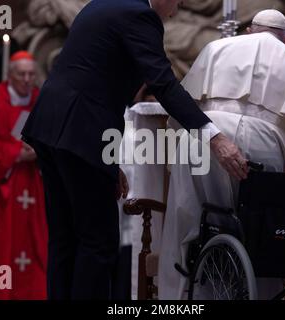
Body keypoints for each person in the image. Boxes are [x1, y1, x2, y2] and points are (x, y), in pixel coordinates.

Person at [22, 0, 248, 300]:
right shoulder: (140, 14)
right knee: (97, 241)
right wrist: (215, 137)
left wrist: (109, 161)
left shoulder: (103, 4)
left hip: (52, 126)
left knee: (64, 239)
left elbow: (96, 81)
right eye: (177, 1)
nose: (177, 10)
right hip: (81, 130)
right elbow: (164, 83)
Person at [158, 9, 285, 299]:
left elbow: (180, 110)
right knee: (260, 234)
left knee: (188, 226)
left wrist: (174, 165)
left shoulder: (215, 48)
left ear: (248, 31)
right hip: (264, 144)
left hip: (205, 137)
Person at [0, 51, 47, 300]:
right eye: (21, 74)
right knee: (1, 255)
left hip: (35, 189)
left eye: (31, 74)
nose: (27, 79)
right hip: (2, 191)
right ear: (9, 75)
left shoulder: (41, 101)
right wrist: (15, 152)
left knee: (36, 258)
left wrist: (41, 151)